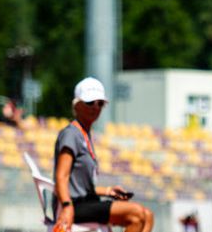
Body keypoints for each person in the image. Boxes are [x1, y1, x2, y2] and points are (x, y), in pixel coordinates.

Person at [53, 77, 154, 232]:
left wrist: (108, 191)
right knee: (137, 215)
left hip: (85, 201)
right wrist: (66, 206)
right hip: (75, 205)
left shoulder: (84, 134)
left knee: (148, 216)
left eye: (100, 103)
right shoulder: (71, 134)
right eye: (90, 102)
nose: (95, 107)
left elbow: (81, 187)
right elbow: (61, 176)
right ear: (77, 105)